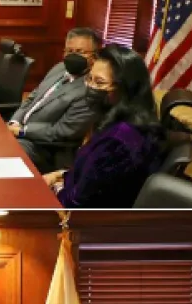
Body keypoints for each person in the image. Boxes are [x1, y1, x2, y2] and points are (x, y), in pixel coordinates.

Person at [43, 44, 162, 208]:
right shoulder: (117, 121)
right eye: (89, 79)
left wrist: (54, 188)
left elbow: (77, 203)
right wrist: (61, 175)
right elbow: (93, 174)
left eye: (99, 82)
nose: (91, 87)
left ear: (125, 89)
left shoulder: (118, 140)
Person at [8, 27, 101, 173]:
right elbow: (33, 96)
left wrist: (22, 131)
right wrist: (14, 122)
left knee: (5, 152)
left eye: (80, 52)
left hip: (46, 148)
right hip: (20, 131)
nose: (73, 56)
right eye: (69, 51)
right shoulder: (59, 68)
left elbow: (63, 131)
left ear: (94, 57)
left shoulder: (89, 90)